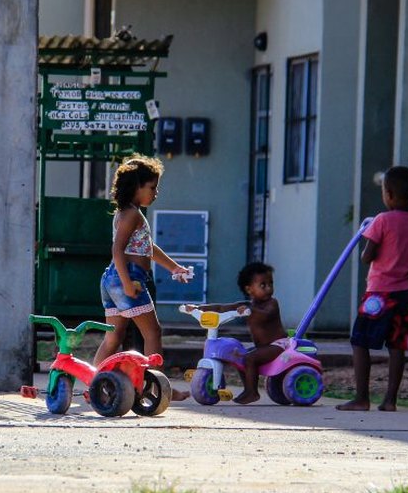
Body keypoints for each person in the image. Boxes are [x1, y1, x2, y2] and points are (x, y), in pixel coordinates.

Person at [93, 155, 192, 401]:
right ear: (136, 187)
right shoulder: (132, 215)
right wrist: (127, 283)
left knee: (113, 337)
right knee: (153, 333)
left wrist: (174, 267)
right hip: (127, 278)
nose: (156, 192)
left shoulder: (128, 213)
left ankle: (94, 384)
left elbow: (148, 247)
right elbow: (117, 250)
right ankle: (156, 387)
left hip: (113, 279)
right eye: (152, 187)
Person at [336, 166, 408, 412]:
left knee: (360, 341)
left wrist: (378, 248)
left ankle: (362, 398)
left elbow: (367, 257)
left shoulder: (382, 220)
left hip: (378, 293)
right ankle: (390, 400)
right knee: (397, 345)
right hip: (404, 293)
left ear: (388, 193)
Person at [182, 262, 287, 404]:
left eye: (271, 283)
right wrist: (197, 308)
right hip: (263, 347)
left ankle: (252, 392)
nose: (269, 288)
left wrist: (249, 311)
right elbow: (220, 308)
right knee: (241, 356)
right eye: (263, 285)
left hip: (278, 344)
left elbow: (265, 315)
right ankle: (248, 389)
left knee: (250, 358)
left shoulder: (271, 303)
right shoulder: (248, 305)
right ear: (249, 289)